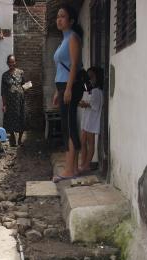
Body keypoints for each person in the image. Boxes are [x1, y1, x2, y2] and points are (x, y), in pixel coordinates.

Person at [52, 3, 83, 183]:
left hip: (70, 85)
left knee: (69, 125)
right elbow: (60, 68)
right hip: (63, 86)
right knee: (67, 125)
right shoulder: (63, 39)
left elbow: (73, 66)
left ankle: (70, 169)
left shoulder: (72, 38)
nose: (59, 19)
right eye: (58, 16)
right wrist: (59, 91)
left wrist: (69, 88)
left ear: (71, 20)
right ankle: (73, 167)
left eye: (62, 16)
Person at [78, 67, 104, 173]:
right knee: (83, 141)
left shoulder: (97, 91)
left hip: (92, 120)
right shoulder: (90, 90)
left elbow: (95, 106)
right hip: (87, 119)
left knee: (90, 142)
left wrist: (85, 104)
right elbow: (85, 102)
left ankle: (87, 165)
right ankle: (83, 163)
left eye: (91, 76)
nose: (89, 79)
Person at [1, 54, 25, 147]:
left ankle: (19, 140)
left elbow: (24, 85)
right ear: (7, 63)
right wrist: (4, 104)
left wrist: (27, 86)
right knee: (10, 119)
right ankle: (12, 137)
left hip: (20, 101)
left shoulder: (21, 72)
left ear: (15, 62)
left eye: (13, 62)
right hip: (10, 102)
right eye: (10, 62)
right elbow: (3, 91)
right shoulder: (4, 75)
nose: (11, 64)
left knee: (21, 119)